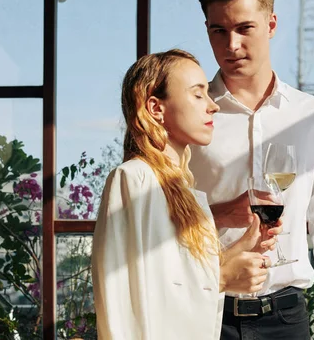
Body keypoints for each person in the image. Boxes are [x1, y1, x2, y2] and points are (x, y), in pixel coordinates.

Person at [189, 0, 314, 339]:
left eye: (244, 28)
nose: (231, 45)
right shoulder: (189, 116)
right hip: (205, 312)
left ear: (271, 25)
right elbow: (161, 215)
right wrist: (221, 213)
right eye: (218, 31)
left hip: (286, 319)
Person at [91, 49, 281, 340]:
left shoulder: (186, 192)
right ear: (156, 108)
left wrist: (243, 246)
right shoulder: (134, 179)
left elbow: (176, 278)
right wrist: (223, 277)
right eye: (197, 94)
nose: (212, 106)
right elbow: (127, 298)